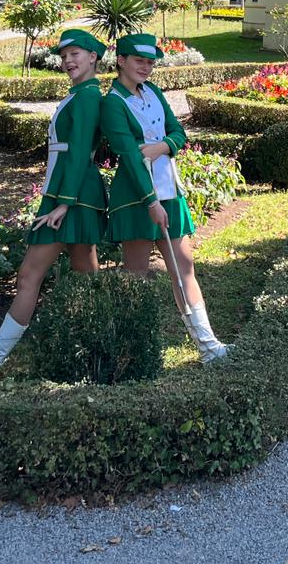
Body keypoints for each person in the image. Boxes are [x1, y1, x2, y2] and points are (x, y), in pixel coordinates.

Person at [0, 29, 109, 381]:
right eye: (64, 55)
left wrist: (62, 204)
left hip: (71, 196)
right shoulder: (81, 93)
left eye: (76, 54)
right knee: (86, 277)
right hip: (73, 192)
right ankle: (105, 354)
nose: (68, 60)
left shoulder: (86, 97)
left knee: (29, 275)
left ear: (94, 57)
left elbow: (81, 151)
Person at [102, 32, 226, 363]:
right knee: (137, 275)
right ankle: (133, 352)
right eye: (139, 61)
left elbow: (179, 132)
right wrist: (150, 203)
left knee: (185, 265)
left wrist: (161, 147)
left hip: (170, 190)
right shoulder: (112, 104)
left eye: (150, 63)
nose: (145, 68)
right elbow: (128, 157)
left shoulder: (153, 91)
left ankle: (208, 345)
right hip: (136, 198)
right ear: (121, 61)